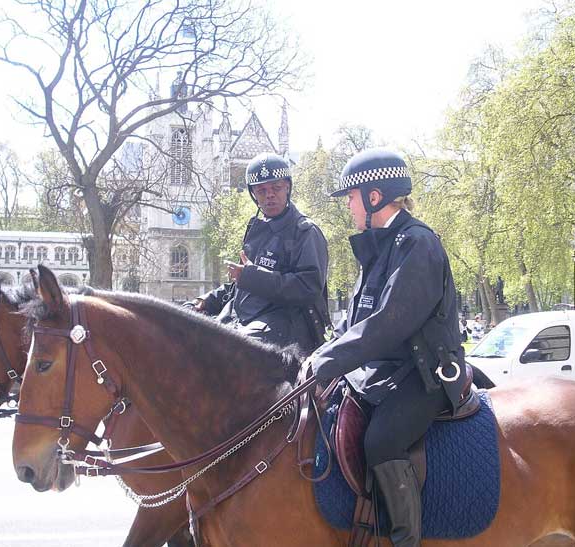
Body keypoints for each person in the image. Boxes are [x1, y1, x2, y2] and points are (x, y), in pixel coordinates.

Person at [308, 148, 465, 547]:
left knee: (381, 440)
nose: (348, 205)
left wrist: (328, 360)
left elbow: (389, 324)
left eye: (351, 197)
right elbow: (355, 320)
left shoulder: (418, 243)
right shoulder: (380, 246)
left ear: (374, 196)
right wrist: (323, 353)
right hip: (386, 371)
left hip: (425, 375)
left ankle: (404, 540)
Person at [185, 152, 330, 353]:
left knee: (225, 352)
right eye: (261, 190)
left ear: (287, 187)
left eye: (276, 188)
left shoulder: (305, 231)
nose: (269, 195)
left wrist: (252, 276)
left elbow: (308, 287)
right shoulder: (257, 230)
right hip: (246, 320)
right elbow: (240, 286)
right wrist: (207, 301)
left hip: (289, 330)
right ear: (253, 194)